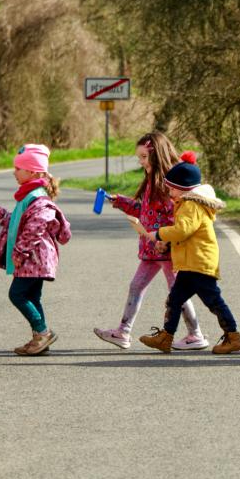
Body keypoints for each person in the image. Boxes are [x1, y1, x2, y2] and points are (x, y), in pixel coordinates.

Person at [93, 132, 206, 350]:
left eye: (144, 157)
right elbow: (144, 211)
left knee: (177, 292)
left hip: (165, 250)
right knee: (136, 286)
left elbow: (176, 217)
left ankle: (195, 334)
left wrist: (166, 240)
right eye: (139, 158)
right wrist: (120, 201)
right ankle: (123, 332)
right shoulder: (151, 182)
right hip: (151, 249)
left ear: (157, 155)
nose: (141, 162)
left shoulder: (169, 186)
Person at [137, 152, 240, 354]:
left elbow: (183, 230)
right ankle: (166, 337)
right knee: (175, 299)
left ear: (183, 188)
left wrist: (159, 234)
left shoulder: (190, 205)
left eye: (171, 188)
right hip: (191, 262)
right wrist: (168, 244)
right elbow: (187, 235)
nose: (169, 192)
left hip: (198, 263)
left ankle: (233, 337)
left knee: (213, 301)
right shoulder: (187, 204)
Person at [0, 144, 72, 356]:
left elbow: (34, 228)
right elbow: (19, 223)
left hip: (35, 259)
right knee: (32, 296)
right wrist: (0, 215)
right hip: (32, 259)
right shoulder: (27, 196)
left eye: (18, 169)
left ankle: (43, 332)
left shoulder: (38, 198)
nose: (14, 172)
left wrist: (20, 252)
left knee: (17, 294)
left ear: (32, 172)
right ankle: (40, 338)